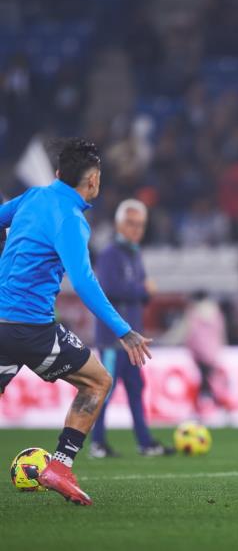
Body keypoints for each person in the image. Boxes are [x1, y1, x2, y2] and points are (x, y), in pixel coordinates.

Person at [0, 139, 152, 506]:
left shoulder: (33, 197)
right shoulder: (71, 221)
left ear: (57, 174)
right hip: (30, 328)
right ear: (94, 181)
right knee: (97, 381)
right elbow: (84, 282)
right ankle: (61, 466)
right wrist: (124, 330)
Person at [90, 199, 173, 457]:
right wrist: (143, 290)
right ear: (118, 224)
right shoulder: (110, 254)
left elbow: (138, 293)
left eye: (140, 225)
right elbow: (109, 289)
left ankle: (144, 441)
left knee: (136, 389)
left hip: (133, 338)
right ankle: (97, 442)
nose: (136, 229)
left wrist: (144, 293)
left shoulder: (134, 253)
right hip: (114, 338)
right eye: (131, 223)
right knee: (105, 388)